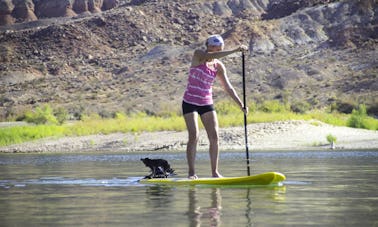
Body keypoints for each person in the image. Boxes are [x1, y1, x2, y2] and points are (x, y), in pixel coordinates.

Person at [182, 34, 248, 179]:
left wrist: (241, 105)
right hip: (190, 102)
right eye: (212, 47)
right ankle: (192, 172)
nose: (215, 50)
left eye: (218, 48)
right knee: (194, 135)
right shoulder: (199, 55)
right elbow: (213, 55)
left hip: (206, 102)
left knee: (214, 137)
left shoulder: (218, 66)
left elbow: (228, 88)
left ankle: (215, 172)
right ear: (207, 46)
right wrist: (235, 50)